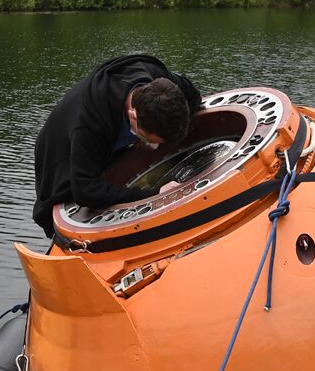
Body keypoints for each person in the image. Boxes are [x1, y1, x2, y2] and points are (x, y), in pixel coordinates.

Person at [32, 54, 200, 237]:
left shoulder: (159, 80)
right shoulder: (90, 125)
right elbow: (85, 191)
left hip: (108, 135)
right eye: (153, 141)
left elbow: (193, 97)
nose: (158, 148)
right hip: (60, 158)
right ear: (134, 118)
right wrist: (153, 193)